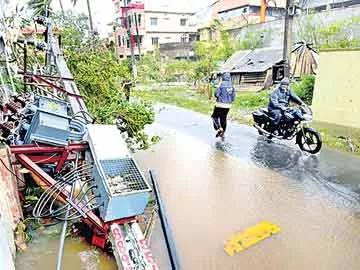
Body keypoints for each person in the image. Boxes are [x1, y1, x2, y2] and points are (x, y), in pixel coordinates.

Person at [211, 72, 236, 138]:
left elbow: (216, 95)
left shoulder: (221, 84)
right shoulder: (231, 85)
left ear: (223, 77)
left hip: (220, 104)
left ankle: (219, 129)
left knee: (214, 117)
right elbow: (233, 97)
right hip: (228, 105)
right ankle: (223, 132)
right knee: (223, 118)